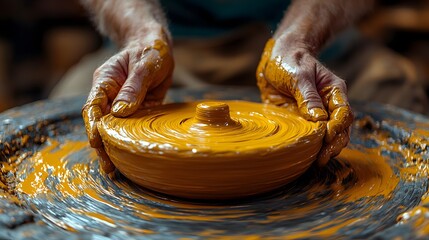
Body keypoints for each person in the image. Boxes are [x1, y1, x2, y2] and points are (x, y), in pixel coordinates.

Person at [80, 0, 372, 173]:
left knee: (391, 92)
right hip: (161, 51)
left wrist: (299, 41)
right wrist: (142, 35)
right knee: (76, 102)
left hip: (306, 46)